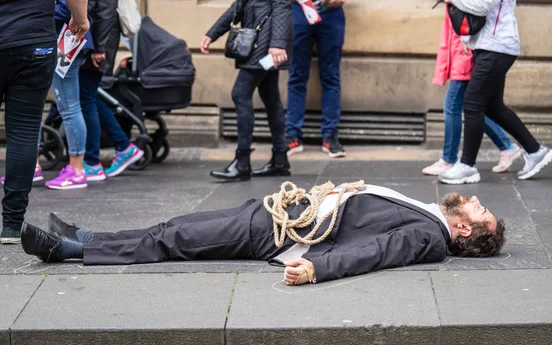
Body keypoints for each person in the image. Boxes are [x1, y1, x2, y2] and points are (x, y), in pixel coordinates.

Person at [20, 181, 505, 285]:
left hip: (280, 233)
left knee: (176, 239)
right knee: (178, 228)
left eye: (481, 211)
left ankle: (68, 251)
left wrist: (318, 268)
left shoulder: (429, 236)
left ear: (463, 231)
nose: (477, 200)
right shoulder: (430, 214)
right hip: (287, 211)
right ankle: (85, 235)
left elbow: (378, 252)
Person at [0, 0, 89, 244]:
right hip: (34, 39)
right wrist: (80, 18)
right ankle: (11, 224)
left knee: (25, 132)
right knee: (24, 132)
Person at [438, 0, 552, 184]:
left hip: (498, 46)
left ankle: (467, 165)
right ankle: (535, 151)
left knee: (472, 104)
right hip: (488, 45)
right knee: (493, 107)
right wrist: (466, 39)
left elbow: (482, 6)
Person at [201, 0, 293, 181]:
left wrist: (277, 43)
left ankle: (242, 162)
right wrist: (213, 33)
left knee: (240, 93)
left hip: (265, 43)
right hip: (259, 40)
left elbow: (282, 5)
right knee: (270, 97)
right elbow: (239, 5)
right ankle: (280, 160)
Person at [422, 6, 521, 176]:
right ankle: (507, 146)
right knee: (472, 109)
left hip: (465, 51)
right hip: (462, 49)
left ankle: (449, 159)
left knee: (454, 105)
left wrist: (466, 39)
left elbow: (476, 12)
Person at [79, 0, 143, 182]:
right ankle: (123, 146)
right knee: (87, 97)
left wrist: (98, 47)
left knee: (86, 98)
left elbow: (105, 11)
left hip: (97, 45)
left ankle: (93, 162)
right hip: (95, 42)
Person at [44, 0, 96, 190]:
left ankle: (76, 170)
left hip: (67, 36)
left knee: (69, 105)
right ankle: (75, 168)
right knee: (68, 105)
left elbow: (70, 7)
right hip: (66, 35)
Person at [285, 0, 347, 159]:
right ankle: (292, 135)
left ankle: (330, 135)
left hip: (331, 11)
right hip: (299, 9)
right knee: (296, 76)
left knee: (331, 76)